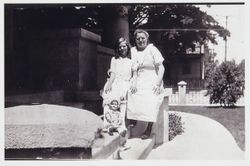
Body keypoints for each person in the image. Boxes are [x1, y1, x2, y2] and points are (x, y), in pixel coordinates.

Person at [127, 29, 165, 139]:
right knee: (131, 92)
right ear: (135, 40)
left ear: (147, 39)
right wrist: (133, 82)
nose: (140, 40)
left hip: (152, 79)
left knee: (151, 98)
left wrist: (157, 84)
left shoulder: (152, 49)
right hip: (138, 78)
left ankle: (148, 129)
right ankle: (132, 119)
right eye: (138, 38)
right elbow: (132, 68)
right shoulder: (133, 51)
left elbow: (161, 67)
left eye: (143, 38)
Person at [101, 37, 134, 137]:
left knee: (122, 99)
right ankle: (107, 124)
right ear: (117, 49)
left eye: (124, 46)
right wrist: (109, 85)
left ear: (127, 47)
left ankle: (121, 125)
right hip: (115, 82)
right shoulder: (114, 59)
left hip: (125, 83)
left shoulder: (131, 61)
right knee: (108, 96)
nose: (122, 48)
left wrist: (131, 84)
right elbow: (113, 74)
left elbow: (133, 75)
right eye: (120, 47)